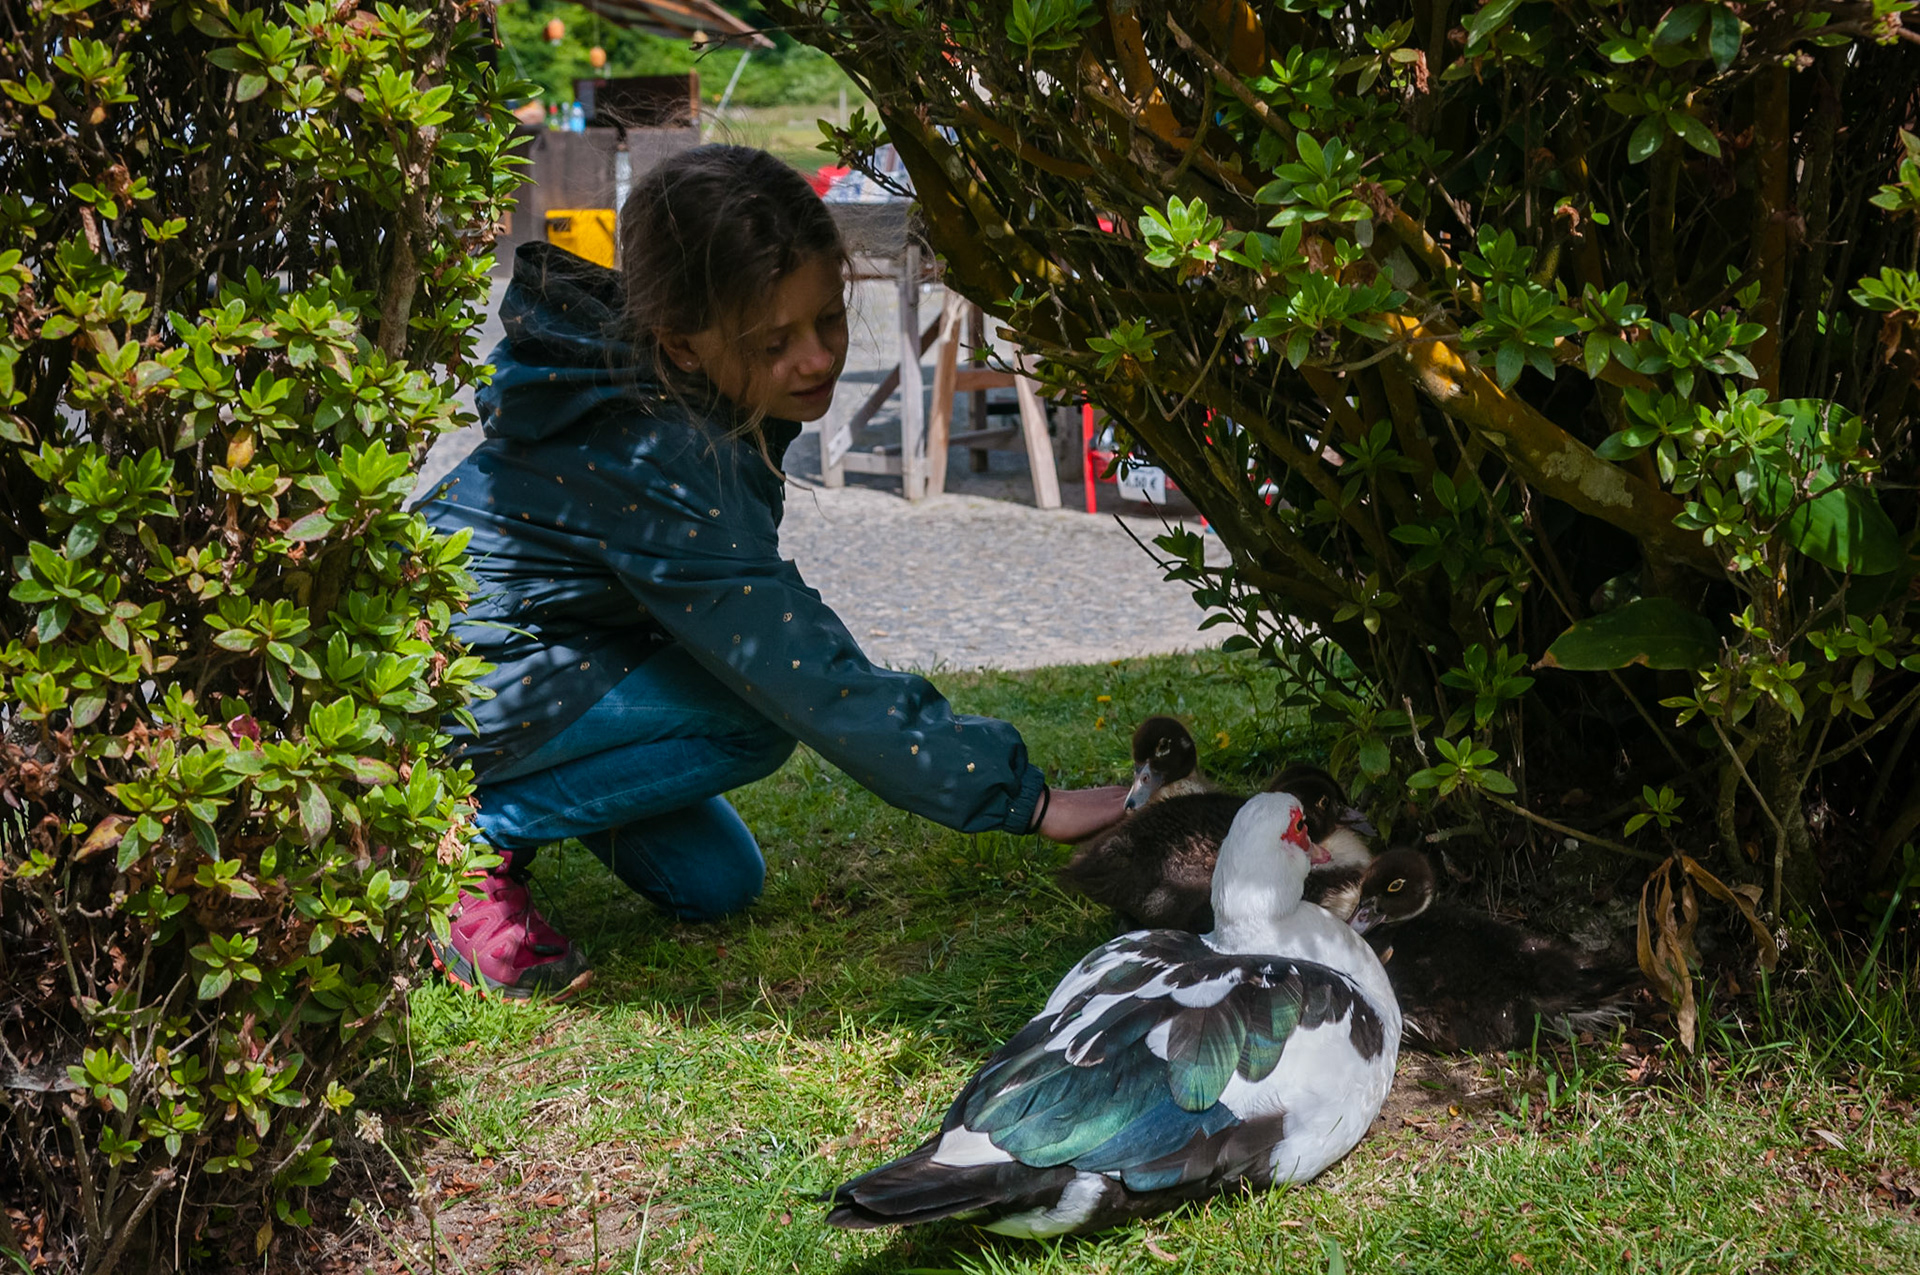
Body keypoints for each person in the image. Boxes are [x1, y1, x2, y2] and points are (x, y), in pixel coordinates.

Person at [419, 146, 1129, 998]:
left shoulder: (674, 386)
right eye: (774, 341)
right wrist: (1030, 801)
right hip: (448, 687)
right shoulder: (663, 451)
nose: (818, 358)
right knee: (750, 715)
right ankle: (460, 836)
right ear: (681, 345)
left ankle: (507, 804)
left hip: (548, 661)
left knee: (717, 883)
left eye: (829, 319)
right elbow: (802, 670)